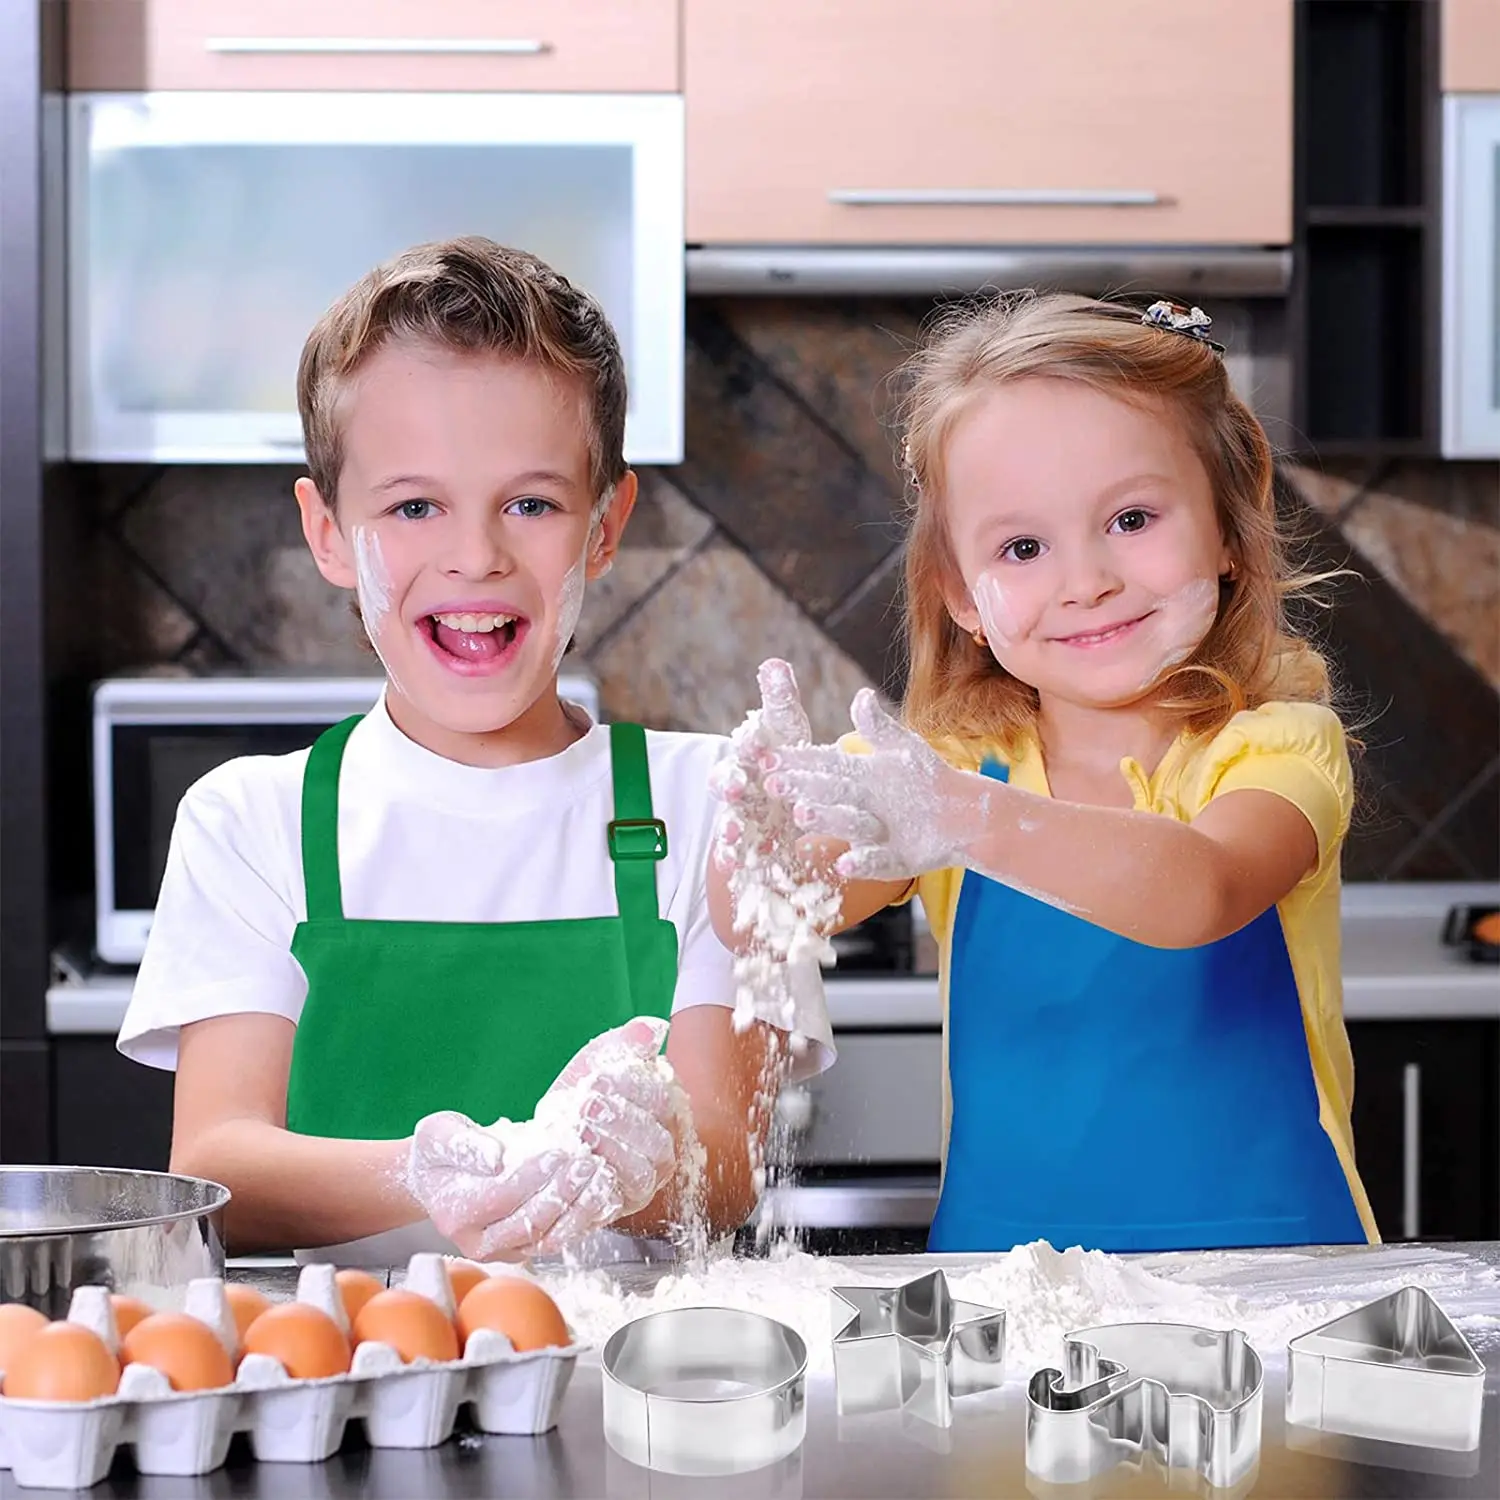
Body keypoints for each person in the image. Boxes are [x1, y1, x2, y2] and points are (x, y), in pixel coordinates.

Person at [117, 236, 832, 1266]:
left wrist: (619, 1169)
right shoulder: (253, 822)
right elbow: (223, 1169)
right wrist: (452, 1172)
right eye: (413, 506)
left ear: (603, 526)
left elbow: (722, 1166)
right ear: (327, 533)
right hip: (348, 1394)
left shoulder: (717, 806)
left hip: (628, 1393)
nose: (475, 555)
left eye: (531, 503)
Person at [713, 294, 1376, 1254]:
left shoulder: (1275, 748)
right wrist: (761, 831)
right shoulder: (939, 771)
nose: (1085, 580)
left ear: (1230, 529)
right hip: (1009, 1292)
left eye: (1133, 518)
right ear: (959, 596)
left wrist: (969, 820)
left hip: (1279, 1286)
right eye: (1022, 547)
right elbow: (755, 915)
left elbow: (1202, 887)